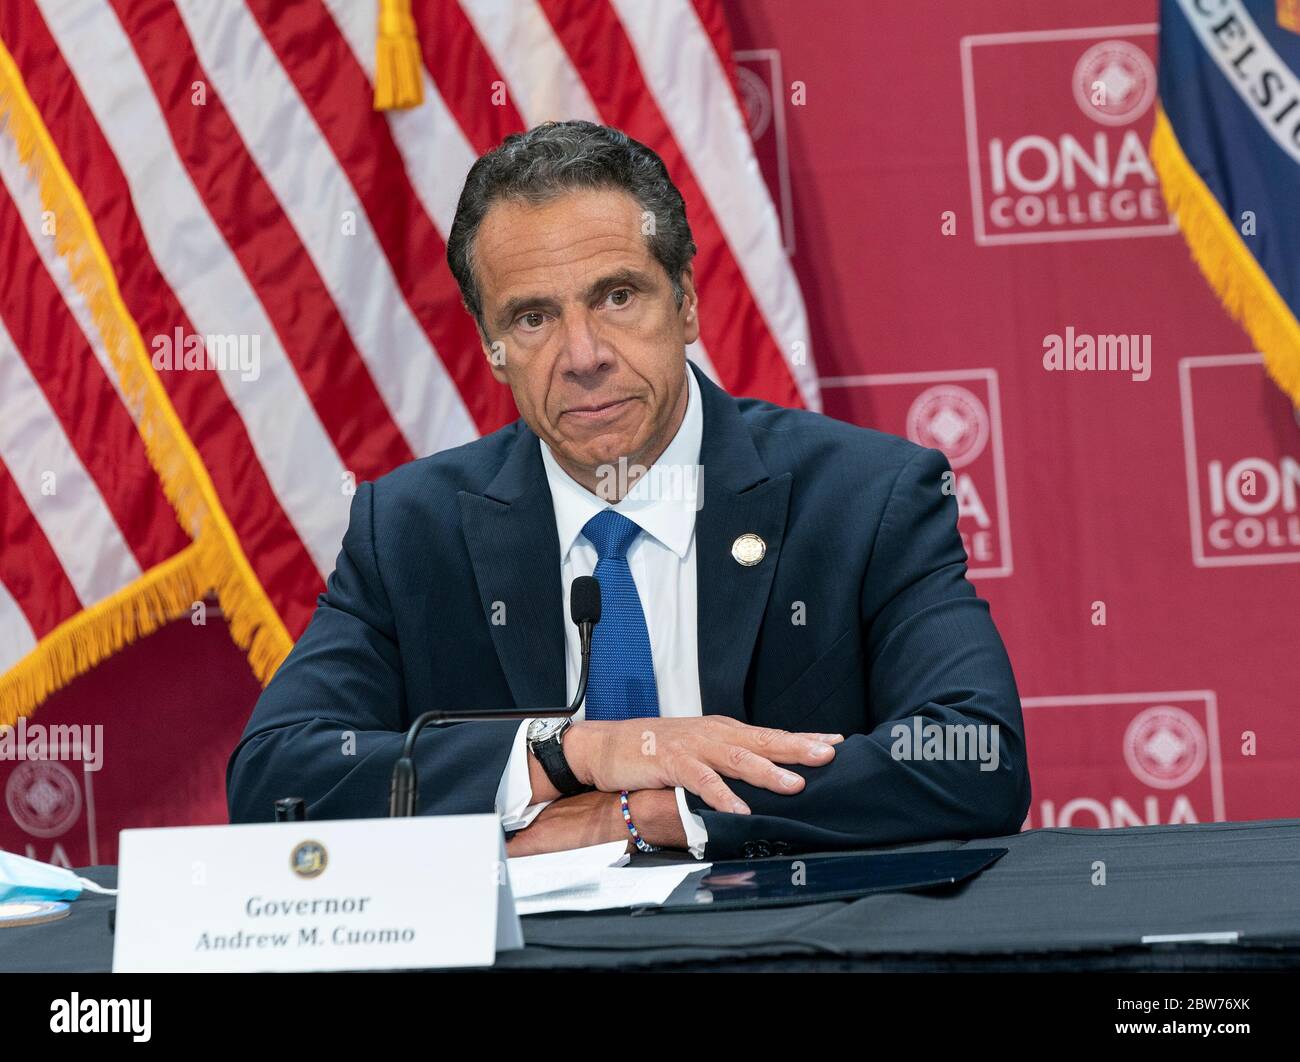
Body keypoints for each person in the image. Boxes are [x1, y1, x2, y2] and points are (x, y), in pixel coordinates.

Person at [226, 121, 1030, 860]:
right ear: (492, 346)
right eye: (533, 318)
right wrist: (571, 754)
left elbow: (974, 752)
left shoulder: (862, 500)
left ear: (684, 301)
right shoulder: (409, 533)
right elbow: (275, 781)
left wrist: (647, 814)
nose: (583, 354)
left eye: (617, 297)